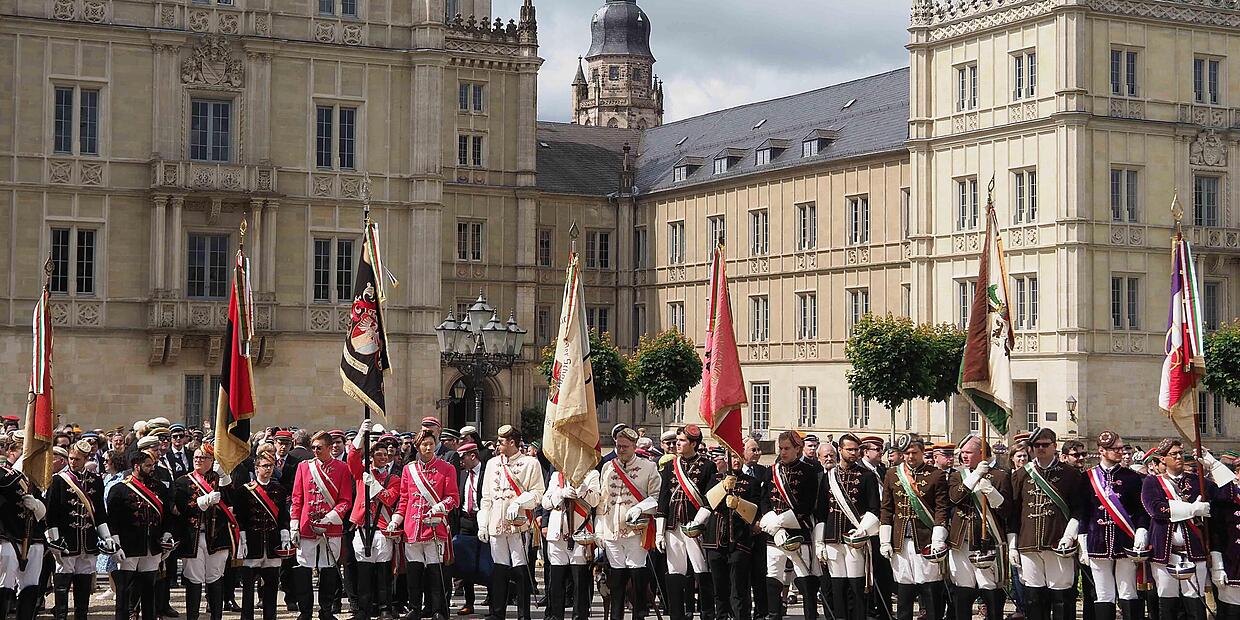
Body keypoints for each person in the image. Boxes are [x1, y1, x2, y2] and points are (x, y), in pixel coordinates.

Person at [1142, 439, 1235, 620]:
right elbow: (1156, 509)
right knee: (1167, 603)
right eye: (1173, 454)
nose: (1179, 457)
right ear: (1162, 459)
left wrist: (1214, 465)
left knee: (1195, 604)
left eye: (1180, 453)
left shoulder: (1197, 481)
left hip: (1194, 550)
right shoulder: (1152, 482)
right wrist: (1192, 509)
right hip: (1165, 552)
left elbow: (1228, 494)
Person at [1009, 427, 1085, 620]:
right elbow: (1013, 512)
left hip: (1057, 542)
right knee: (1033, 597)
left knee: (1061, 597)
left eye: (1045, 445)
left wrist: (1069, 536)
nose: (1040, 448)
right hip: (1028, 543)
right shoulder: (1021, 474)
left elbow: (1079, 509)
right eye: (1036, 445)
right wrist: (1012, 545)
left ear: (1054, 446)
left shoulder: (1070, 474)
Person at [390, 428, 459, 620]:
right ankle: (415, 608)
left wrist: (440, 506)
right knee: (414, 571)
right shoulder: (408, 469)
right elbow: (404, 499)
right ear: (418, 447)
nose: (428, 448)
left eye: (431, 444)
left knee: (435, 572)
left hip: (435, 527)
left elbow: (453, 498)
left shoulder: (447, 468)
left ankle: (437, 609)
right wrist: (396, 519)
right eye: (424, 444)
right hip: (412, 528)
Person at [478, 425, 544, 620]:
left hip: (518, 525)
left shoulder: (530, 464)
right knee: (499, 569)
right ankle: (497, 613)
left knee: (520, 569)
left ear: (512, 442)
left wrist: (519, 502)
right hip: (496, 524)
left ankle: (524, 615)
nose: (497, 445)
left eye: (501, 442)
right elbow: (486, 497)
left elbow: (538, 493)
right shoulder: (492, 464)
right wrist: (483, 523)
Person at [880, 433, 948, 620]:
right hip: (900, 540)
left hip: (926, 540)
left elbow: (941, 509)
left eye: (914, 452)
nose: (910, 456)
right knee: (904, 591)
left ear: (922, 452)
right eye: (907, 453)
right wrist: (885, 540)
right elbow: (886, 508)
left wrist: (938, 539)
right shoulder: (892, 474)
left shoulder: (936, 475)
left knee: (929, 589)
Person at [1080, 431, 1147, 620]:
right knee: (1103, 594)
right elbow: (1083, 512)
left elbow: (1141, 510)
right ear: (1102, 450)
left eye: (1121, 448)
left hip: (1125, 540)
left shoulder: (1132, 478)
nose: (1120, 452)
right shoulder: (1087, 478)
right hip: (1097, 541)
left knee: (1128, 591)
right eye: (1115, 449)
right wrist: (1082, 542)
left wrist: (1141, 531)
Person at [813, 432, 880, 620]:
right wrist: (819, 542)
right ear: (840, 450)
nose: (854, 453)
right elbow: (821, 511)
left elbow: (874, 508)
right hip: (832, 537)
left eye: (856, 450)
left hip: (854, 538)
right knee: (837, 586)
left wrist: (863, 530)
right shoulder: (829, 477)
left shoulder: (867, 476)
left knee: (856, 586)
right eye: (849, 449)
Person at [289, 430, 355, 620]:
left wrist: (330, 517)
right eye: (313, 447)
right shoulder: (304, 467)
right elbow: (297, 497)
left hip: (331, 526)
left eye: (319, 447)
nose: (315, 451)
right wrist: (294, 523)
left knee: (329, 568)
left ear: (329, 447)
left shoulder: (342, 468)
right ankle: (305, 611)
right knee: (304, 568)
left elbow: (345, 500)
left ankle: (326, 610)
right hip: (306, 525)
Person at [45, 439, 114, 620]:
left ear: (86, 459)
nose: (73, 462)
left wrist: (107, 537)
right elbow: (50, 513)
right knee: (62, 583)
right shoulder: (58, 480)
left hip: (88, 540)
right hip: (66, 540)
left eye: (77, 459)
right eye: (71, 458)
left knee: (84, 583)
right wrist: (54, 540)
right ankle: (60, 616)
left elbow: (100, 512)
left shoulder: (96, 480)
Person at [596, 426, 660, 620]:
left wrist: (641, 507)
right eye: (618, 446)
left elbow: (657, 498)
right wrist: (599, 529)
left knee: (637, 577)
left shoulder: (648, 467)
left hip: (636, 531)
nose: (621, 450)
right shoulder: (608, 467)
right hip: (611, 530)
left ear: (634, 446)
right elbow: (602, 501)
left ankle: (638, 615)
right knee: (616, 580)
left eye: (625, 446)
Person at [946, 434, 1011, 620]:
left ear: (981, 453)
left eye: (968, 452)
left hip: (987, 539)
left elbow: (1007, 511)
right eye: (962, 453)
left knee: (990, 588)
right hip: (961, 540)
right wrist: (974, 476)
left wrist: (991, 492)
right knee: (963, 590)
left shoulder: (1000, 476)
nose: (964, 456)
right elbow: (955, 498)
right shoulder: (957, 476)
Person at [657, 424, 718, 620]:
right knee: (675, 571)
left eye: (682, 441)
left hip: (695, 526)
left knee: (701, 569)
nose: (677, 444)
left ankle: (707, 613)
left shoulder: (708, 466)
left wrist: (698, 522)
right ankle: (676, 614)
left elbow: (710, 499)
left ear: (693, 443)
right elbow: (663, 499)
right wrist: (659, 531)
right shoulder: (670, 466)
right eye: (677, 440)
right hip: (673, 525)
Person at [107, 443, 173, 620]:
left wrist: (167, 534)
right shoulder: (119, 489)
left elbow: (167, 515)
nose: (152, 469)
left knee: (149, 588)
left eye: (153, 465)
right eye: (148, 465)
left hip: (152, 545)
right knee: (124, 590)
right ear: (136, 466)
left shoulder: (159, 488)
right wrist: (115, 542)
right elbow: (112, 519)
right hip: (128, 546)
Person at [760, 430, 820, 620]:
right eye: (781, 448)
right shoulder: (770, 471)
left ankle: (810, 615)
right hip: (774, 534)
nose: (783, 452)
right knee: (773, 574)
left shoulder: (809, 471)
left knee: (804, 576)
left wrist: (779, 521)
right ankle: (773, 614)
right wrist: (774, 526)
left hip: (798, 531)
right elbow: (764, 500)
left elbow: (807, 504)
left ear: (798, 449)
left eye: (787, 448)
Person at [173, 445, 237, 620]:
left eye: (203, 457)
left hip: (216, 537)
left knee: (215, 578)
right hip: (193, 536)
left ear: (211, 460)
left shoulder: (220, 480)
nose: (198, 460)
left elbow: (232, 504)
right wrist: (203, 501)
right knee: (194, 579)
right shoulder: (183, 481)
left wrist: (224, 478)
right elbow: (181, 508)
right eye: (196, 457)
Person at [347, 422, 401, 620]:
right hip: (363, 527)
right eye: (379, 454)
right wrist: (361, 433)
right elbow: (352, 457)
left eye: (386, 455)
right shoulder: (362, 474)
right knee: (364, 573)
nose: (383, 457)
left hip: (382, 528)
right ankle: (363, 609)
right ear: (371, 457)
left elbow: (390, 498)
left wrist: (375, 486)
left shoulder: (393, 478)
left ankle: (385, 608)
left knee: (384, 572)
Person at [231, 450, 291, 620]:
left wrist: (285, 534)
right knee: (248, 587)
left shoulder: (279, 490)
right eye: (265, 466)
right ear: (256, 468)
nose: (268, 469)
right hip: (252, 543)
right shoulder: (244, 491)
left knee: (271, 586)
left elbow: (282, 516)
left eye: (271, 466)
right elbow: (240, 517)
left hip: (272, 543)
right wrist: (242, 539)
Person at [541, 452, 601, 620]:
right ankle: (555, 615)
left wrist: (583, 490)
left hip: (580, 534)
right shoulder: (556, 476)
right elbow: (545, 502)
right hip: (558, 534)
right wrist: (560, 494)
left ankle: (580, 616)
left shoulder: (592, 474)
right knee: (556, 581)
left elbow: (595, 500)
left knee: (580, 581)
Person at [703, 448, 761, 620]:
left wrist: (739, 504)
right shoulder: (715, 479)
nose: (735, 461)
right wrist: (723, 487)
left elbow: (755, 511)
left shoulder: (751, 482)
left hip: (739, 539)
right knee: (719, 588)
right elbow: (708, 502)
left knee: (738, 588)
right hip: (715, 539)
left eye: (738, 457)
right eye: (732, 457)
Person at [452, 443, 484, 616]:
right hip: (465, 520)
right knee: (466, 561)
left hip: (482, 519)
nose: (461, 461)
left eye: (463, 457)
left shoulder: (486, 472)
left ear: (472, 456)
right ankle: (469, 602)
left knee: (487, 559)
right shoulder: (463, 474)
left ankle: (493, 600)